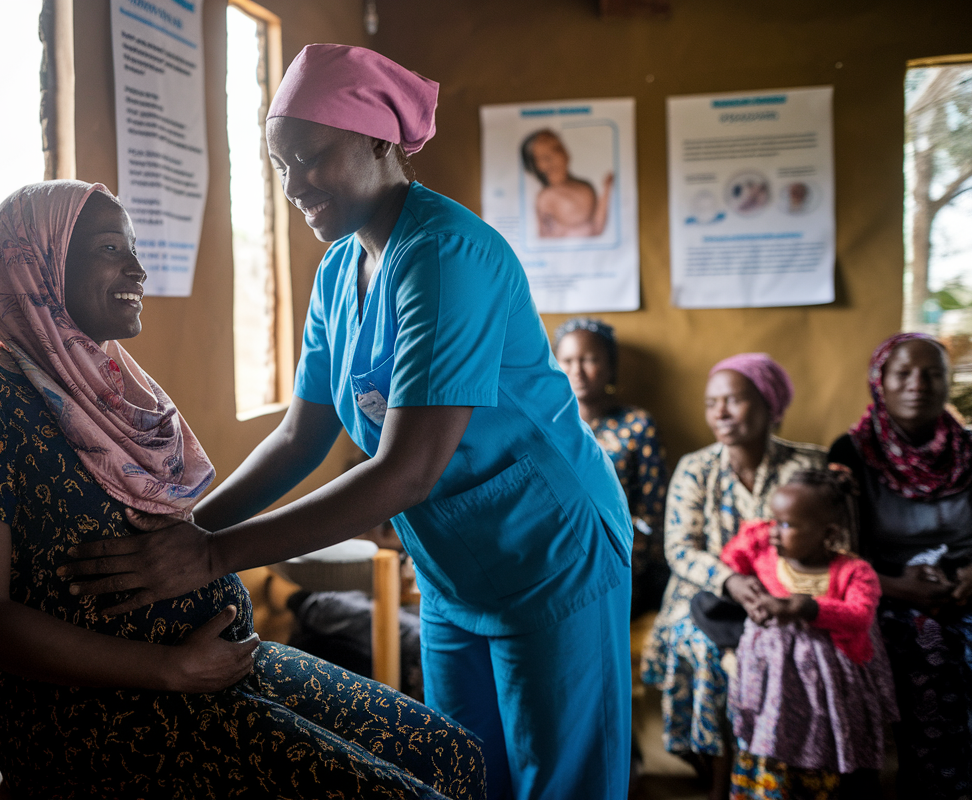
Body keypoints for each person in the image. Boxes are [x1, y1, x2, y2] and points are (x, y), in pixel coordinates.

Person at [60, 44, 635, 800]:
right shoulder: (339, 269)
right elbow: (302, 435)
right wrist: (189, 527)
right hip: (454, 566)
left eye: (310, 157)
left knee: (561, 783)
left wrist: (208, 558)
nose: (296, 185)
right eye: (281, 164)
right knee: (461, 771)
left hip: (549, 554)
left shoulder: (446, 255)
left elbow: (407, 470)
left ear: (377, 140)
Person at [0, 181, 485, 799]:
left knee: (454, 756)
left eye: (135, 248)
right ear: (39, 263)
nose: (138, 268)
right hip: (104, 715)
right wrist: (167, 667)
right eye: (111, 248)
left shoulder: (104, 390)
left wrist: (200, 646)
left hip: (220, 669)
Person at [640, 353, 826, 800]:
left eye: (734, 400)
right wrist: (730, 581)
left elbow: (831, 548)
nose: (720, 412)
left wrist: (776, 594)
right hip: (705, 596)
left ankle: (781, 767)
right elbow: (680, 549)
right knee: (706, 649)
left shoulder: (807, 469)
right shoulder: (696, 468)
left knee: (789, 646)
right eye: (712, 402)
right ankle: (716, 772)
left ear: (769, 404)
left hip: (783, 595)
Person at [828, 332, 972, 800]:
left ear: (949, 384)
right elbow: (836, 551)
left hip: (964, 586)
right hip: (886, 592)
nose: (918, 384)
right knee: (928, 648)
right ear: (880, 382)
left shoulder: (969, 451)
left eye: (933, 373)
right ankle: (932, 786)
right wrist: (896, 587)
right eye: (903, 373)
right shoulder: (851, 454)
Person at [722, 469, 898, 800]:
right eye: (773, 520)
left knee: (824, 753)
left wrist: (806, 608)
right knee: (770, 743)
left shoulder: (854, 572)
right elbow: (732, 556)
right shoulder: (766, 553)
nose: (775, 532)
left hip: (829, 693)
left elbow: (860, 617)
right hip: (772, 690)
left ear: (827, 533)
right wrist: (758, 535)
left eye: (786, 524)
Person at [555, 317, 669, 616]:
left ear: (610, 367)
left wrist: (625, 551)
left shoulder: (636, 425)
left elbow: (652, 513)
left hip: (618, 551)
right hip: (555, 549)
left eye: (589, 359)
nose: (577, 371)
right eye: (567, 360)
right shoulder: (546, 425)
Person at [520, 129, 613, 238]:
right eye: (545, 157)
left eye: (557, 149)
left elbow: (597, 226)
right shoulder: (546, 198)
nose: (555, 158)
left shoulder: (586, 186)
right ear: (537, 166)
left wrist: (607, 189)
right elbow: (545, 235)